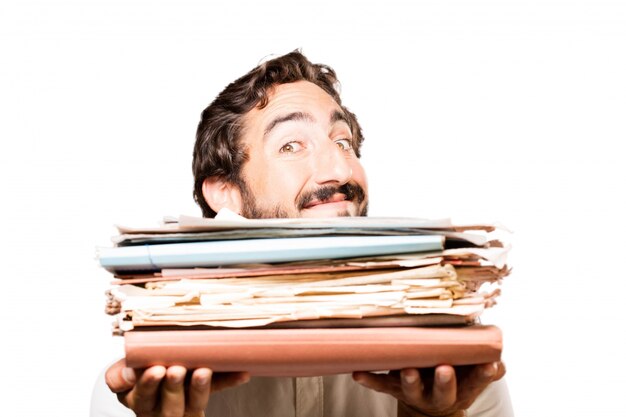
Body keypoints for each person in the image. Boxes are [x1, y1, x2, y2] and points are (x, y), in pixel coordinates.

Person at [92, 50, 513, 417]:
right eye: (291, 145)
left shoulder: (454, 356)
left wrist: (434, 416)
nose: (340, 170)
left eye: (343, 142)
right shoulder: (146, 378)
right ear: (226, 194)